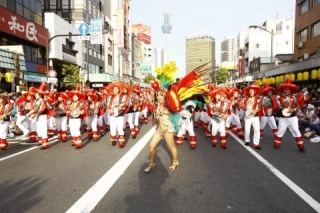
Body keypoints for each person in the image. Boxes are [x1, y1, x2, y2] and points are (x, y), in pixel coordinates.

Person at [274, 78, 305, 151]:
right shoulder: (279, 97)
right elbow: (277, 107)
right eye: (285, 89)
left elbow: (299, 106)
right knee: (280, 131)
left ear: (290, 90)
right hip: (283, 117)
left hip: (292, 117)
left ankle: (301, 146)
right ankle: (277, 144)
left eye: (288, 89)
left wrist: (293, 109)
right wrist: (281, 107)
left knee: (296, 130)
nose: (286, 90)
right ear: (283, 90)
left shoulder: (295, 97)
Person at [243, 83, 262, 149]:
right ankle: (247, 140)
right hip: (247, 116)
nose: (251, 92)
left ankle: (256, 143)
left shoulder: (258, 98)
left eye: (252, 91)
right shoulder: (246, 99)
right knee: (247, 129)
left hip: (255, 116)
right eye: (250, 91)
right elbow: (243, 106)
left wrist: (255, 111)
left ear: (254, 92)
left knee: (257, 130)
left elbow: (259, 107)